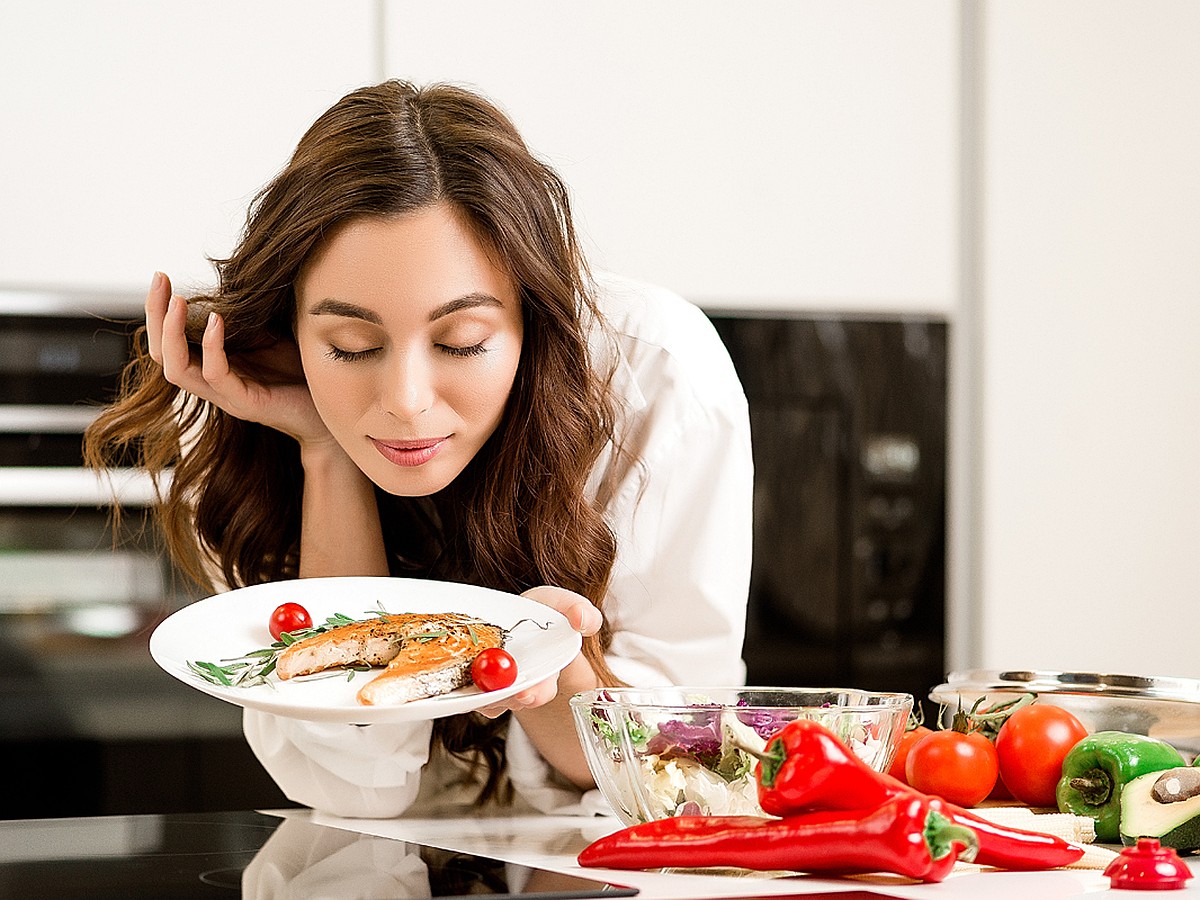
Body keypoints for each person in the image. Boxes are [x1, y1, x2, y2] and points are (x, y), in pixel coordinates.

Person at [84, 79, 752, 818]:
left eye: (461, 343)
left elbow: (673, 770)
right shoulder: (251, 401)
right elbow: (352, 785)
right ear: (293, 327)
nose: (405, 399)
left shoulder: (655, 374)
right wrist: (322, 451)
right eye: (351, 345)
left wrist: (537, 653)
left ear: (531, 321)